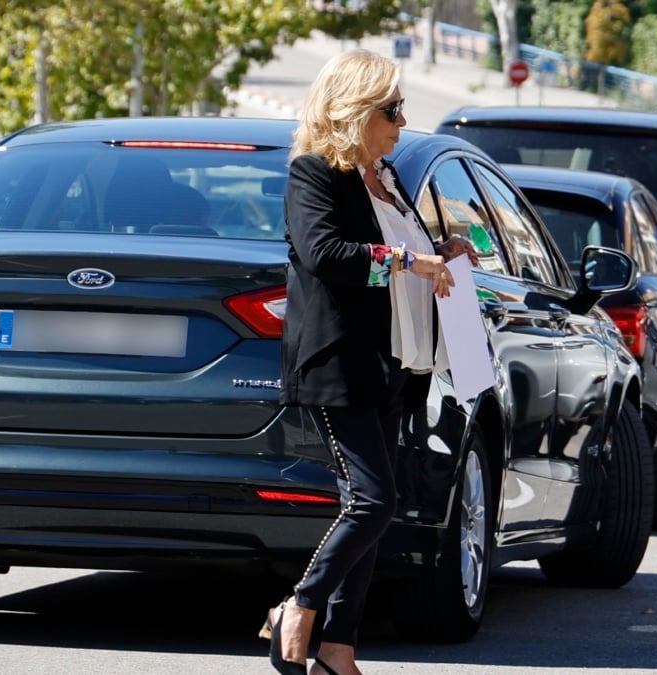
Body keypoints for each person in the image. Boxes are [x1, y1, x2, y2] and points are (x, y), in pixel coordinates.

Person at [261, 49, 478, 675]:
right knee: (372, 501)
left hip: (392, 363)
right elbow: (327, 252)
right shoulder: (314, 172)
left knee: (375, 507)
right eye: (392, 109)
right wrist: (411, 262)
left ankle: (338, 649)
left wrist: (441, 249)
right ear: (354, 109)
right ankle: (298, 608)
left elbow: (393, 248)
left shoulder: (382, 176)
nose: (401, 122)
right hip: (340, 360)